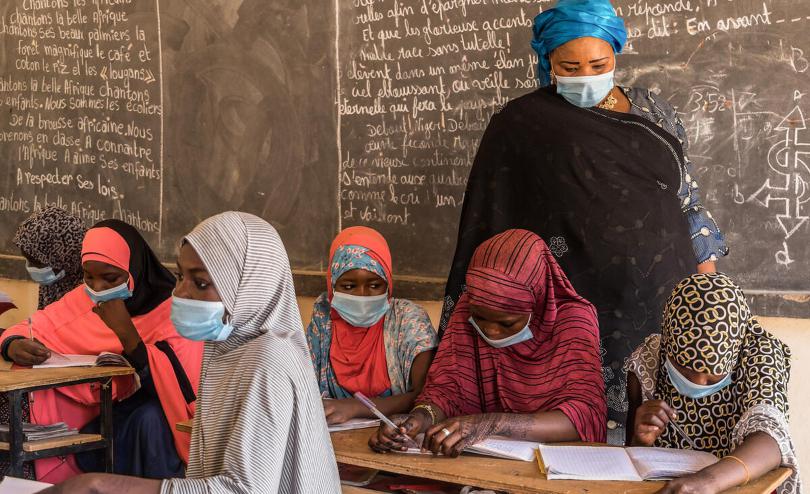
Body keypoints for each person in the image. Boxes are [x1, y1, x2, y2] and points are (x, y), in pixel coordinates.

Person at [439, 0, 728, 424]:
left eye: (598, 63)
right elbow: (490, 220)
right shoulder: (522, 123)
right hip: (571, 313)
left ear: (616, 54)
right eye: (570, 68)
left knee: (656, 430)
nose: (586, 77)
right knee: (578, 430)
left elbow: (688, 203)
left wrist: (706, 296)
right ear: (547, 61)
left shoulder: (656, 111)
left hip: (663, 300)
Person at [42, 212, 341, 494]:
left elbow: (243, 490)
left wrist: (104, 485)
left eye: (200, 283)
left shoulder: (269, 359)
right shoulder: (227, 345)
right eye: (180, 276)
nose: (180, 293)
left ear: (248, 286)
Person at [370, 229, 606, 457]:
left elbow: (584, 416)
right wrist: (419, 418)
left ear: (538, 301)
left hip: (556, 465)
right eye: (480, 318)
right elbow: (446, 391)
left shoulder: (573, 320)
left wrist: (490, 423)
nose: (491, 331)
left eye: (508, 323)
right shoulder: (466, 310)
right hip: (481, 462)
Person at [1, 220, 203, 483]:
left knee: (148, 420)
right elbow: (32, 326)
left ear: (135, 269)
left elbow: (182, 390)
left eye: (111, 278)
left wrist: (126, 333)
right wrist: (13, 345)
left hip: (153, 421)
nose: (98, 288)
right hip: (94, 415)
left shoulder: (175, 310)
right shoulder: (83, 298)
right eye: (89, 276)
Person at [625, 273, 800, 494]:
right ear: (667, 343)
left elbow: (771, 441)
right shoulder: (649, 361)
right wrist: (641, 440)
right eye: (685, 370)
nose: (698, 381)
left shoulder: (760, 355)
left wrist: (705, 483)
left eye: (713, 374)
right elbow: (631, 459)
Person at [306, 226, 437, 424]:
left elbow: (427, 396)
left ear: (388, 284)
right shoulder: (323, 322)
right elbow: (304, 389)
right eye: (348, 287)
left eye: (375, 285)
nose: (362, 295)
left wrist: (355, 407)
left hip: (398, 439)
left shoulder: (408, 320)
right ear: (332, 286)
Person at [0, 207, 88, 479]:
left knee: (12, 405)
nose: (32, 268)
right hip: (43, 379)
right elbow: (35, 328)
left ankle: (22, 479)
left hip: (76, 390)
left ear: (61, 253)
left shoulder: (96, 287)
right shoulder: (55, 283)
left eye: (36, 261)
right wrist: (13, 342)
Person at [13, 206, 87, 309]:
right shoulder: (52, 285)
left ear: (63, 257)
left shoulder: (91, 291)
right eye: (28, 261)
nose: (30, 267)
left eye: (37, 263)